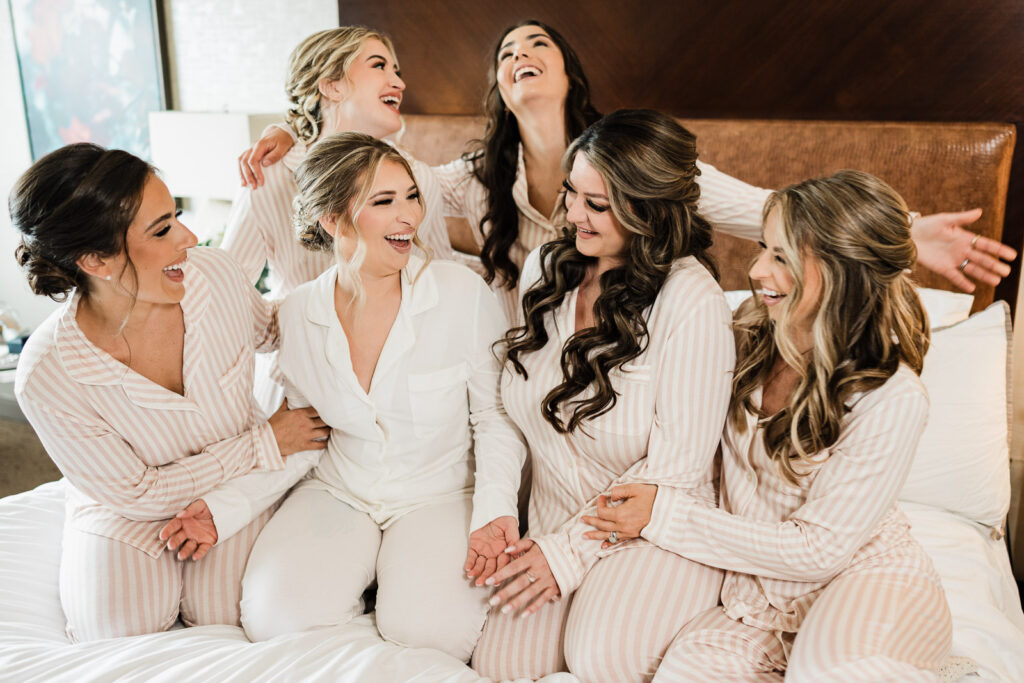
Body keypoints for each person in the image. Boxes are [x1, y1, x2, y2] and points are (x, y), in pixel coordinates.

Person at [239, 20, 1015, 324]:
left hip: (633, 370)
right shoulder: (462, 181)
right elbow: (374, 191)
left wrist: (905, 236)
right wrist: (295, 134)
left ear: (571, 76)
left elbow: (764, 211)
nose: (519, 57)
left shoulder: (638, 165)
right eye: (505, 54)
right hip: (513, 388)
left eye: (536, 45)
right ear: (499, 91)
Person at [172, 133, 527, 660]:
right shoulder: (297, 313)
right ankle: (366, 578)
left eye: (411, 196)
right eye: (384, 202)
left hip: (440, 493)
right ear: (332, 220)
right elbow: (304, 436)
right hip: (340, 489)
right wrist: (223, 508)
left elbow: (496, 418)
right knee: (273, 620)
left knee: (431, 635)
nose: (409, 215)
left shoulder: (462, 294)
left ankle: (392, 583)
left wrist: (495, 511)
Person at [586, 170, 953, 680]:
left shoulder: (891, 397)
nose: (756, 269)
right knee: (683, 672)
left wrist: (662, 515)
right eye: (763, 247)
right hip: (758, 591)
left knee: (828, 673)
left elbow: (818, 549)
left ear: (842, 268)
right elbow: (677, 177)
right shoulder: (742, 335)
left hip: (864, 577)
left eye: (780, 256)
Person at [9, 143, 327, 642]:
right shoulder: (48, 373)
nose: (190, 236)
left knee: (224, 612)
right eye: (162, 230)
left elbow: (276, 332)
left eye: (175, 215)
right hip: (126, 504)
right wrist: (266, 441)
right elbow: (136, 491)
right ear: (96, 260)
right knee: (114, 630)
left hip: (234, 488)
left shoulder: (215, 276)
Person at [466, 110, 733, 681]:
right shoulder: (547, 268)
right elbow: (508, 414)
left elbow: (676, 470)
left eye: (597, 204)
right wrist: (501, 514)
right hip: (552, 524)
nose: (572, 216)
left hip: (653, 532)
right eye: (570, 194)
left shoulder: (691, 299)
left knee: (600, 659)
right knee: (500, 669)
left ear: (649, 208)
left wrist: (567, 555)